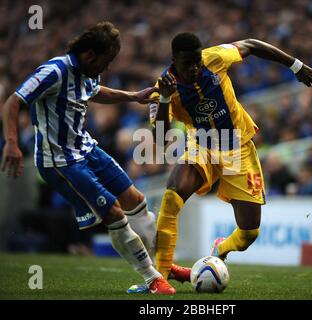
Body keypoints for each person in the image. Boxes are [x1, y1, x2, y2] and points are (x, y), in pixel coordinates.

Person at [1, 21, 182, 295]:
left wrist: (133, 96)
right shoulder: (54, 71)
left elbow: (96, 92)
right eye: (106, 61)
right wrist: (12, 143)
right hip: (61, 162)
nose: (106, 68)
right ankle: (152, 279)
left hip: (87, 149)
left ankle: (166, 267)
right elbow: (13, 102)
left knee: (136, 201)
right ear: (88, 55)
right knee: (113, 213)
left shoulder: (88, 71)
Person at [143, 32, 312, 292]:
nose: (195, 68)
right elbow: (160, 138)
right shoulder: (163, 88)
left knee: (249, 233)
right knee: (171, 198)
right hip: (201, 147)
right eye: (187, 63)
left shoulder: (214, 58)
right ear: (174, 61)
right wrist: (164, 99)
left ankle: (221, 248)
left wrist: (295, 66)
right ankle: (159, 276)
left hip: (238, 149)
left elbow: (252, 45)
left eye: (197, 61)